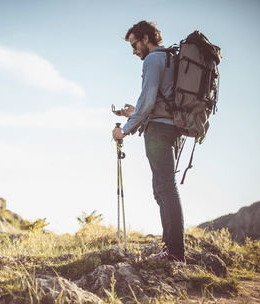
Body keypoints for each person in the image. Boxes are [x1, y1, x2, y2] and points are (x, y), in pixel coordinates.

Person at [112, 21, 185, 262]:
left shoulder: (153, 59)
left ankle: (174, 252)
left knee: (165, 188)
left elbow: (148, 100)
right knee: (164, 188)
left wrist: (125, 129)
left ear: (145, 38)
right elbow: (159, 101)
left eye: (134, 45)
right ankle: (172, 248)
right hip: (170, 128)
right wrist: (132, 113)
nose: (134, 51)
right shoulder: (171, 58)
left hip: (158, 132)